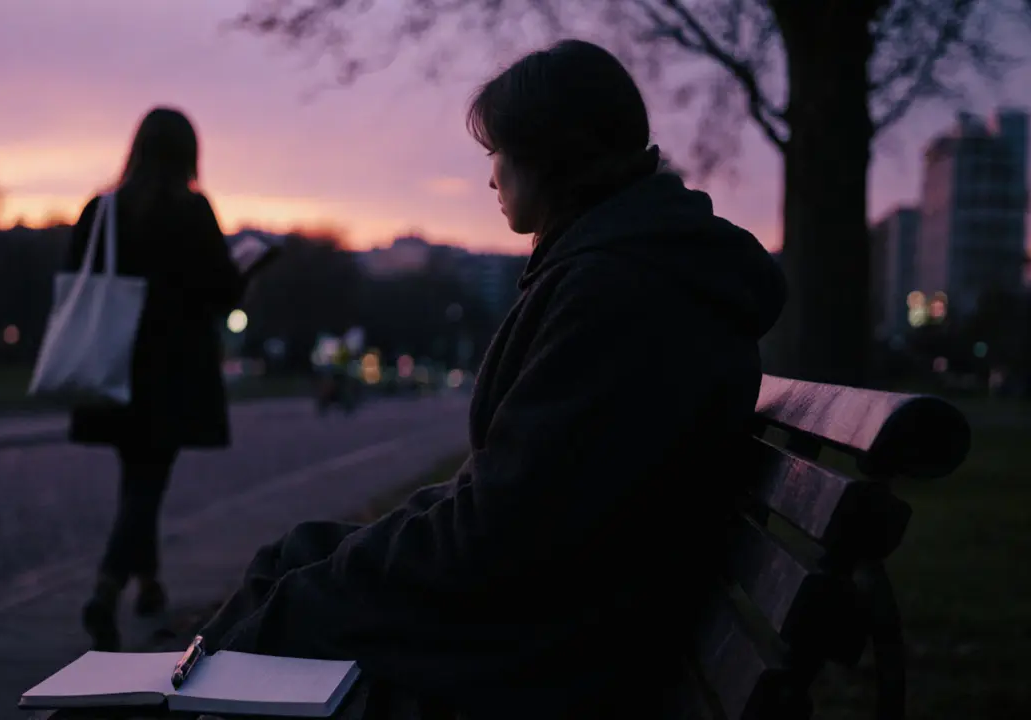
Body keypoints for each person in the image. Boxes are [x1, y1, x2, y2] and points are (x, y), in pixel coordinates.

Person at [197, 38, 787, 718]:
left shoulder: (616, 289)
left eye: (495, 155)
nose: (489, 178)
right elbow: (512, 500)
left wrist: (337, 579)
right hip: (575, 612)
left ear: (549, 156)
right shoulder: (629, 266)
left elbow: (497, 532)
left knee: (287, 607)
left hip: (552, 650)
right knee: (292, 561)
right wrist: (347, 558)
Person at [68, 107, 247, 652]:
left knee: (137, 476)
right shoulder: (192, 211)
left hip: (114, 362)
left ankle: (149, 584)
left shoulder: (103, 210)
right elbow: (224, 293)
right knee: (148, 481)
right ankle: (108, 586)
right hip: (173, 370)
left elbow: (77, 271)